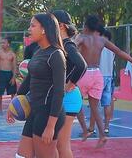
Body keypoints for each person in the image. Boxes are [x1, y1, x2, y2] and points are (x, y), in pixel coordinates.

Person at [75, 15, 132, 148]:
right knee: (95, 108)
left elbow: (70, 48)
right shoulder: (102, 40)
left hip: (84, 74)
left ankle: (85, 130)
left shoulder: (82, 38)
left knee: (76, 103)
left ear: (85, 27)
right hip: (97, 75)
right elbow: (118, 51)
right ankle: (102, 135)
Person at [7, 13, 66, 158]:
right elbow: (28, 81)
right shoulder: (38, 52)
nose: (29, 29)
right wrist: (12, 105)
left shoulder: (56, 55)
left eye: (33, 25)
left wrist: (51, 126)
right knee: (21, 156)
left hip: (48, 114)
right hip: (34, 110)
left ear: (44, 29)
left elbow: (59, 92)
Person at [52, 10, 87, 158]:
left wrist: (69, 84)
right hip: (64, 98)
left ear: (60, 26)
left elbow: (81, 65)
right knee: (55, 144)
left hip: (69, 98)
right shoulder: (60, 45)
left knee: (62, 144)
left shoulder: (68, 45)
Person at [88, 29, 115, 135]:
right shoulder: (112, 49)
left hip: (99, 76)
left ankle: (91, 128)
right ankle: (106, 127)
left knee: (94, 104)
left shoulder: (99, 46)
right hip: (109, 76)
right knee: (107, 103)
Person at [0, 36, 17, 115]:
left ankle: (12, 110)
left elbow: (14, 67)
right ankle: (0, 110)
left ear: (8, 44)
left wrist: (14, 77)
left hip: (9, 74)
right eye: (2, 43)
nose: (2, 44)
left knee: (12, 93)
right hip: (2, 74)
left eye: (4, 43)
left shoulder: (12, 55)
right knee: (0, 93)